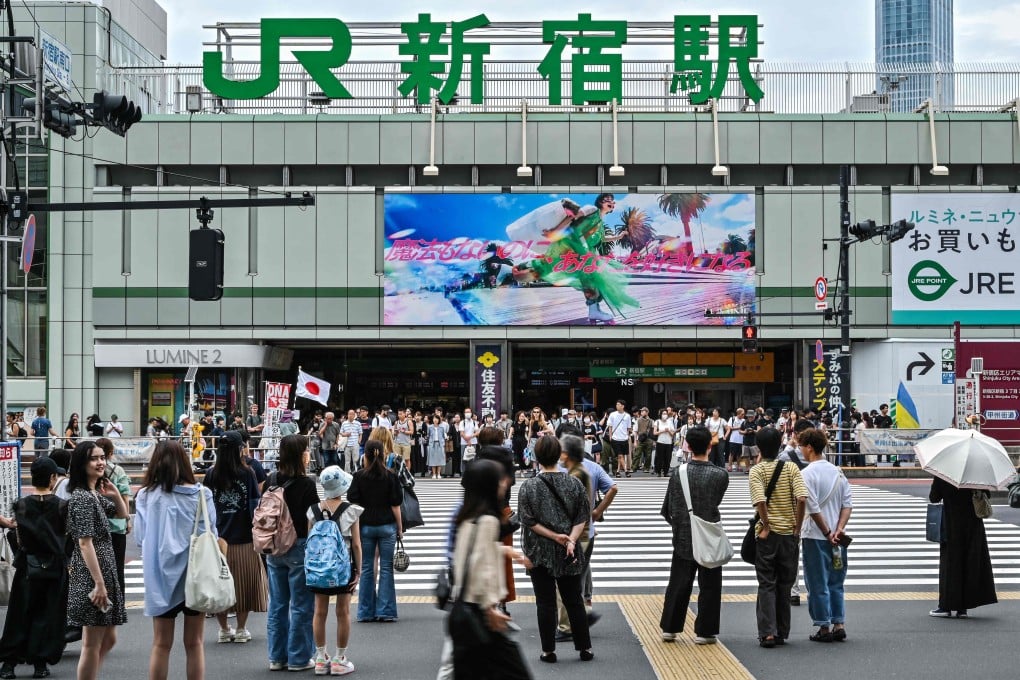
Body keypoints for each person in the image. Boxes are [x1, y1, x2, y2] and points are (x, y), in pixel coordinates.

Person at [134, 440, 215, 680]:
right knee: (195, 643)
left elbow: (140, 537)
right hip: (195, 575)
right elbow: (210, 534)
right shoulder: (202, 494)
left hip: (160, 577)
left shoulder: (146, 496)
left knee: (161, 644)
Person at [451, 459, 533, 680]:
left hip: (464, 608)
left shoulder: (467, 517)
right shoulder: (489, 520)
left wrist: (506, 551)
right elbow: (482, 566)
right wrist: (490, 608)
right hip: (481, 614)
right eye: (500, 480)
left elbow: (468, 555)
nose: (505, 483)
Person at [517, 436, 593, 663]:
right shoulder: (574, 483)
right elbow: (582, 517)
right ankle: (585, 648)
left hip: (539, 551)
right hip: (569, 551)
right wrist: (570, 540)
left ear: (537, 457)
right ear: (559, 455)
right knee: (574, 599)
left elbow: (528, 520)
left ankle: (548, 651)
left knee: (545, 602)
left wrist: (554, 536)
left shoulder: (529, 486)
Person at [65, 440, 130, 680]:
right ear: (81, 464)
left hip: (103, 572)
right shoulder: (82, 497)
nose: (100, 462)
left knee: (109, 638)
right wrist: (99, 583)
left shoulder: (93, 493)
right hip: (91, 577)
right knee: (91, 644)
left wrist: (115, 494)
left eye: (102, 457)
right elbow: (85, 543)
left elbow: (122, 514)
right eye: (94, 458)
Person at [660, 425, 729, 644]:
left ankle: (670, 628)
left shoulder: (677, 474)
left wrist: (679, 525)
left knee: (678, 583)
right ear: (710, 445)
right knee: (710, 585)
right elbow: (716, 501)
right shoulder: (720, 475)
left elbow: (667, 509)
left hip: (683, 535)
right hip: (708, 536)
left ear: (687, 446)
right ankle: (705, 632)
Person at [0, 457, 67, 679]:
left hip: (27, 566)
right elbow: (66, 538)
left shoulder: (21, 505)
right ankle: (40, 664)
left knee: (19, 614)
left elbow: (19, 538)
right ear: (52, 477)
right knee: (46, 615)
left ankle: (9, 664)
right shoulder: (62, 506)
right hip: (53, 567)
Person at [203, 430, 268, 644]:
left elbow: (206, 506)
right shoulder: (247, 473)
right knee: (244, 585)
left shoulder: (211, 474)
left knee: (219, 585)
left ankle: (223, 629)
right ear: (240, 449)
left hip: (218, 539)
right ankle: (241, 629)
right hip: (244, 537)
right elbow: (254, 506)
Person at [263, 434, 320, 671]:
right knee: (301, 605)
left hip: (274, 547)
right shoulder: (306, 484)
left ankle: (277, 657)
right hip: (298, 546)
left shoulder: (271, 479)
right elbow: (314, 518)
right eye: (306, 450)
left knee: (277, 604)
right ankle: (298, 658)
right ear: (300, 455)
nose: (308, 454)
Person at [749, 427, 809, 648]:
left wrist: (766, 525)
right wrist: (797, 527)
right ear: (779, 445)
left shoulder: (757, 471)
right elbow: (802, 498)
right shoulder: (791, 467)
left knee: (766, 583)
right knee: (785, 584)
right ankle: (782, 632)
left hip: (768, 536)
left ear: (759, 447)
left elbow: (760, 501)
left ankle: (768, 633)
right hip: (789, 536)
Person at [797, 428, 853, 642]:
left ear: (810, 447)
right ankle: (839, 623)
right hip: (838, 539)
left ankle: (824, 627)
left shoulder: (807, 474)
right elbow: (847, 504)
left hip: (815, 537)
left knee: (817, 583)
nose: (801, 450)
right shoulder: (838, 472)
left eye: (802, 446)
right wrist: (839, 529)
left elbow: (812, 508)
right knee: (836, 581)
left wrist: (827, 532)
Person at [308, 466, 363, 676]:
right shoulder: (351, 510)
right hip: (342, 568)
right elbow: (356, 544)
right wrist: (358, 570)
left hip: (319, 568)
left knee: (319, 611)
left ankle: (321, 658)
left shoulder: (313, 510)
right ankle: (340, 659)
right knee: (343, 611)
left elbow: (310, 543)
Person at [347, 439, 403, 623]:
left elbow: (353, 502)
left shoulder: (359, 476)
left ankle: (365, 611)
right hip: (387, 526)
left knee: (366, 567)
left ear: (366, 456)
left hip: (365, 526)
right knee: (386, 568)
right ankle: (385, 610)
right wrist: (400, 528)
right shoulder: (391, 476)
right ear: (383, 454)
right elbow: (396, 505)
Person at [928, 477, 997, 618]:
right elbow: (987, 494)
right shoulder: (976, 475)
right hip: (972, 525)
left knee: (950, 565)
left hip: (951, 524)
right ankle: (962, 609)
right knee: (969, 563)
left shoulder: (944, 475)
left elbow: (934, 498)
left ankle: (945, 606)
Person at [95, 438, 131, 596]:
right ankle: (119, 600)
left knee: (98, 566)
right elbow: (125, 496)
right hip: (117, 525)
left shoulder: (93, 470)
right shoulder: (118, 471)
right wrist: (127, 519)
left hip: (97, 525)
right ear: (111, 453)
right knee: (118, 567)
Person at [606, 399, 633, 478]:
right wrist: (610, 436)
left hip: (624, 438)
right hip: (615, 438)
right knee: (620, 455)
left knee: (620, 456)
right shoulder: (612, 415)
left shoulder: (627, 416)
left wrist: (627, 435)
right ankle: (626, 471)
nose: (617, 406)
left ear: (623, 406)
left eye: (618, 404)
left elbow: (629, 428)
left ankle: (618, 471)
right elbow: (610, 426)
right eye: (616, 404)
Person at [339, 410, 363, 475]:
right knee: (347, 460)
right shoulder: (344, 423)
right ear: (347, 415)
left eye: (352, 414)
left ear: (354, 415)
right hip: (347, 444)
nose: (350, 415)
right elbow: (341, 433)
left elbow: (360, 433)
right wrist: (345, 434)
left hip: (355, 444)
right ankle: (347, 473)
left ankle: (356, 472)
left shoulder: (358, 423)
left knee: (356, 460)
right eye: (349, 414)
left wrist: (359, 441)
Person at [653, 410, 676, 477]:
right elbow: (654, 433)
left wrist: (668, 431)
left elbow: (672, 434)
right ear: (660, 414)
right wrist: (662, 431)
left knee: (667, 458)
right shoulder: (657, 422)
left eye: (666, 413)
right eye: (663, 413)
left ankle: (666, 472)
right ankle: (658, 471)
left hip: (668, 442)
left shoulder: (670, 422)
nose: (665, 415)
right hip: (660, 442)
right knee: (659, 458)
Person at [427, 414, 448, 480]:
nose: (435, 420)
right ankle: (434, 474)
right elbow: (428, 435)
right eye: (434, 419)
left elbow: (443, 436)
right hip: (432, 444)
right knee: (432, 459)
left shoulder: (442, 427)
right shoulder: (430, 427)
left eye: (436, 419)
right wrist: (430, 443)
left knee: (439, 459)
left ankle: (438, 473)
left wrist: (443, 443)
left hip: (440, 444)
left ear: (439, 420)